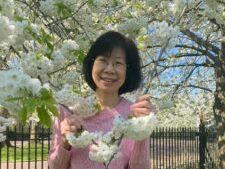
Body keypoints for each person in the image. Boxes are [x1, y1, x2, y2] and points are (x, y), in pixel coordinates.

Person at [48, 31, 157, 169]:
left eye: (118, 63)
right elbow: (54, 166)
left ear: (128, 71)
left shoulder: (134, 114)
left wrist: (143, 128)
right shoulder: (69, 110)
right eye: (103, 60)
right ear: (92, 63)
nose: (109, 69)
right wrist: (65, 141)